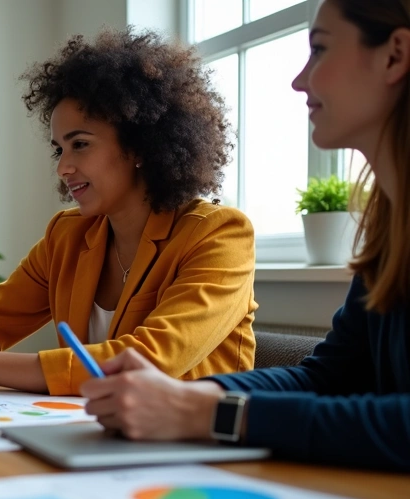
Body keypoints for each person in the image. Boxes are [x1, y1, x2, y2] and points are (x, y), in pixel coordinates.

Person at [81, 0, 410, 472]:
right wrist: (184, 396)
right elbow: (328, 377)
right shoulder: (391, 231)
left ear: (394, 56)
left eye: (319, 49)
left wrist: (204, 412)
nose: (300, 80)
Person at [0, 28, 257, 396]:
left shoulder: (220, 235)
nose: (63, 167)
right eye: (60, 148)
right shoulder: (68, 235)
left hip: (193, 453)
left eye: (80, 144)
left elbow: (145, 361)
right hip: (93, 437)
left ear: (138, 147)